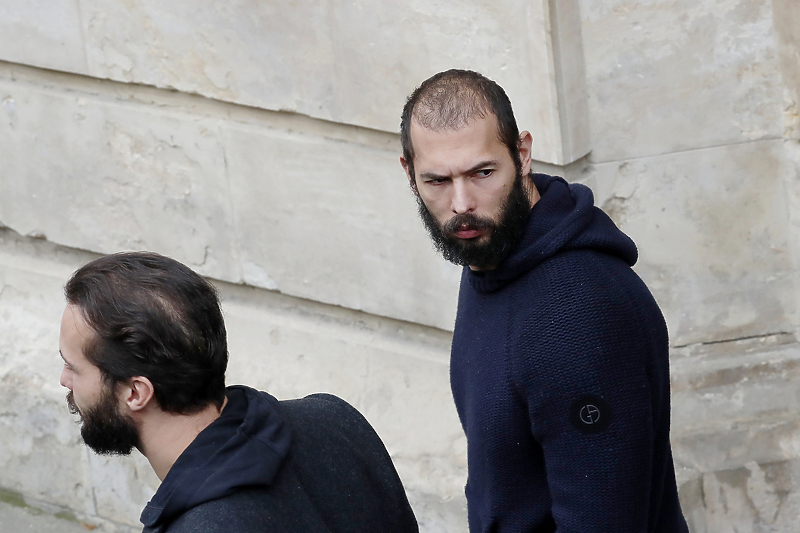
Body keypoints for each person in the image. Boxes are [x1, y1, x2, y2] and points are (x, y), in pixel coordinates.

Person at [400, 69, 688, 532]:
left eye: (483, 173)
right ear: (409, 173)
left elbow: (603, 520)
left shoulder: (577, 311)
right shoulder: (490, 255)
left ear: (522, 153)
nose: (461, 203)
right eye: (437, 181)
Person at [58, 251, 419, 533]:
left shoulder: (202, 527)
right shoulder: (333, 419)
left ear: (136, 392)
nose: (64, 380)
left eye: (74, 367)